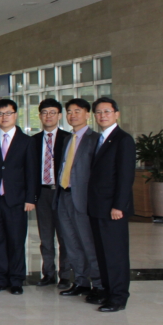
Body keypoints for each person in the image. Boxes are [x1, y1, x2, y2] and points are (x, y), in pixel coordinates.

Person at [0, 98, 36, 295]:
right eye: (0, 114)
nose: (4, 117)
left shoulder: (26, 141)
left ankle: (16, 279)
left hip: (16, 200)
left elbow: (31, 172)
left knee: (16, 240)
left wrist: (30, 198)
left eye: (8, 113)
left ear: (15, 115)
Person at [87, 96, 136, 313]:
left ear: (116, 114)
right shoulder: (101, 139)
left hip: (113, 209)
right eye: (98, 112)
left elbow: (125, 177)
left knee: (115, 254)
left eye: (107, 111)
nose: (102, 115)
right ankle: (107, 292)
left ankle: (118, 297)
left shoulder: (123, 140)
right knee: (103, 252)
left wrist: (119, 206)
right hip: (98, 207)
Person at [54, 98, 102, 299]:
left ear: (87, 114)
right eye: (69, 112)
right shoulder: (68, 139)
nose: (72, 115)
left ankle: (98, 284)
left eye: (77, 111)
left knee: (88, 243)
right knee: (71, 242)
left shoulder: (95, 139)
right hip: (64, 195)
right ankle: (81, 281)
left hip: (83, 199)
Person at [32, 98, 70, 287]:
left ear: (59, 115)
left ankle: (65, 275)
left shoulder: (68, 139)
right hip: (43, 193)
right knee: (45, 236)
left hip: (62, 193)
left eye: (53, 112)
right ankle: (48, 273)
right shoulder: (33, 141)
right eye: (45, 113)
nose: (48, 116)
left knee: (64, 236)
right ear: (40, 116)